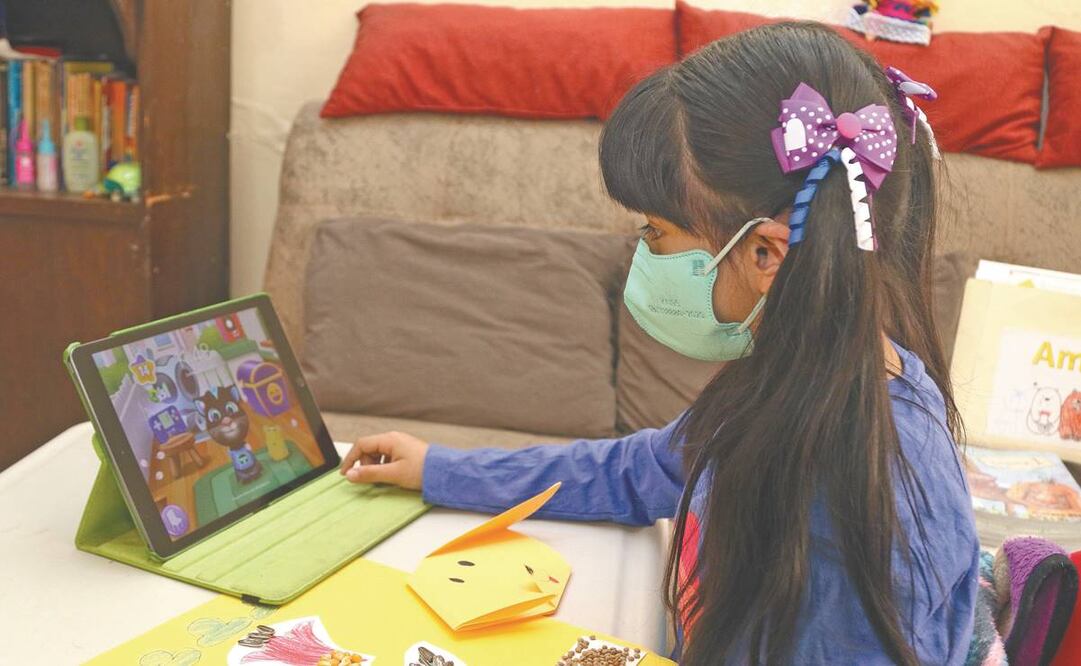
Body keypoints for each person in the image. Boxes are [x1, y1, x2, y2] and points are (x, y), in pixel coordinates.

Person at [339, 21, 979, 665]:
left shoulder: (864, 498)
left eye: (655, 233)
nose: (643, 253)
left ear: (765, 253)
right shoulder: (785, 383)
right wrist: (443, 469)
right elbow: (640, 470)